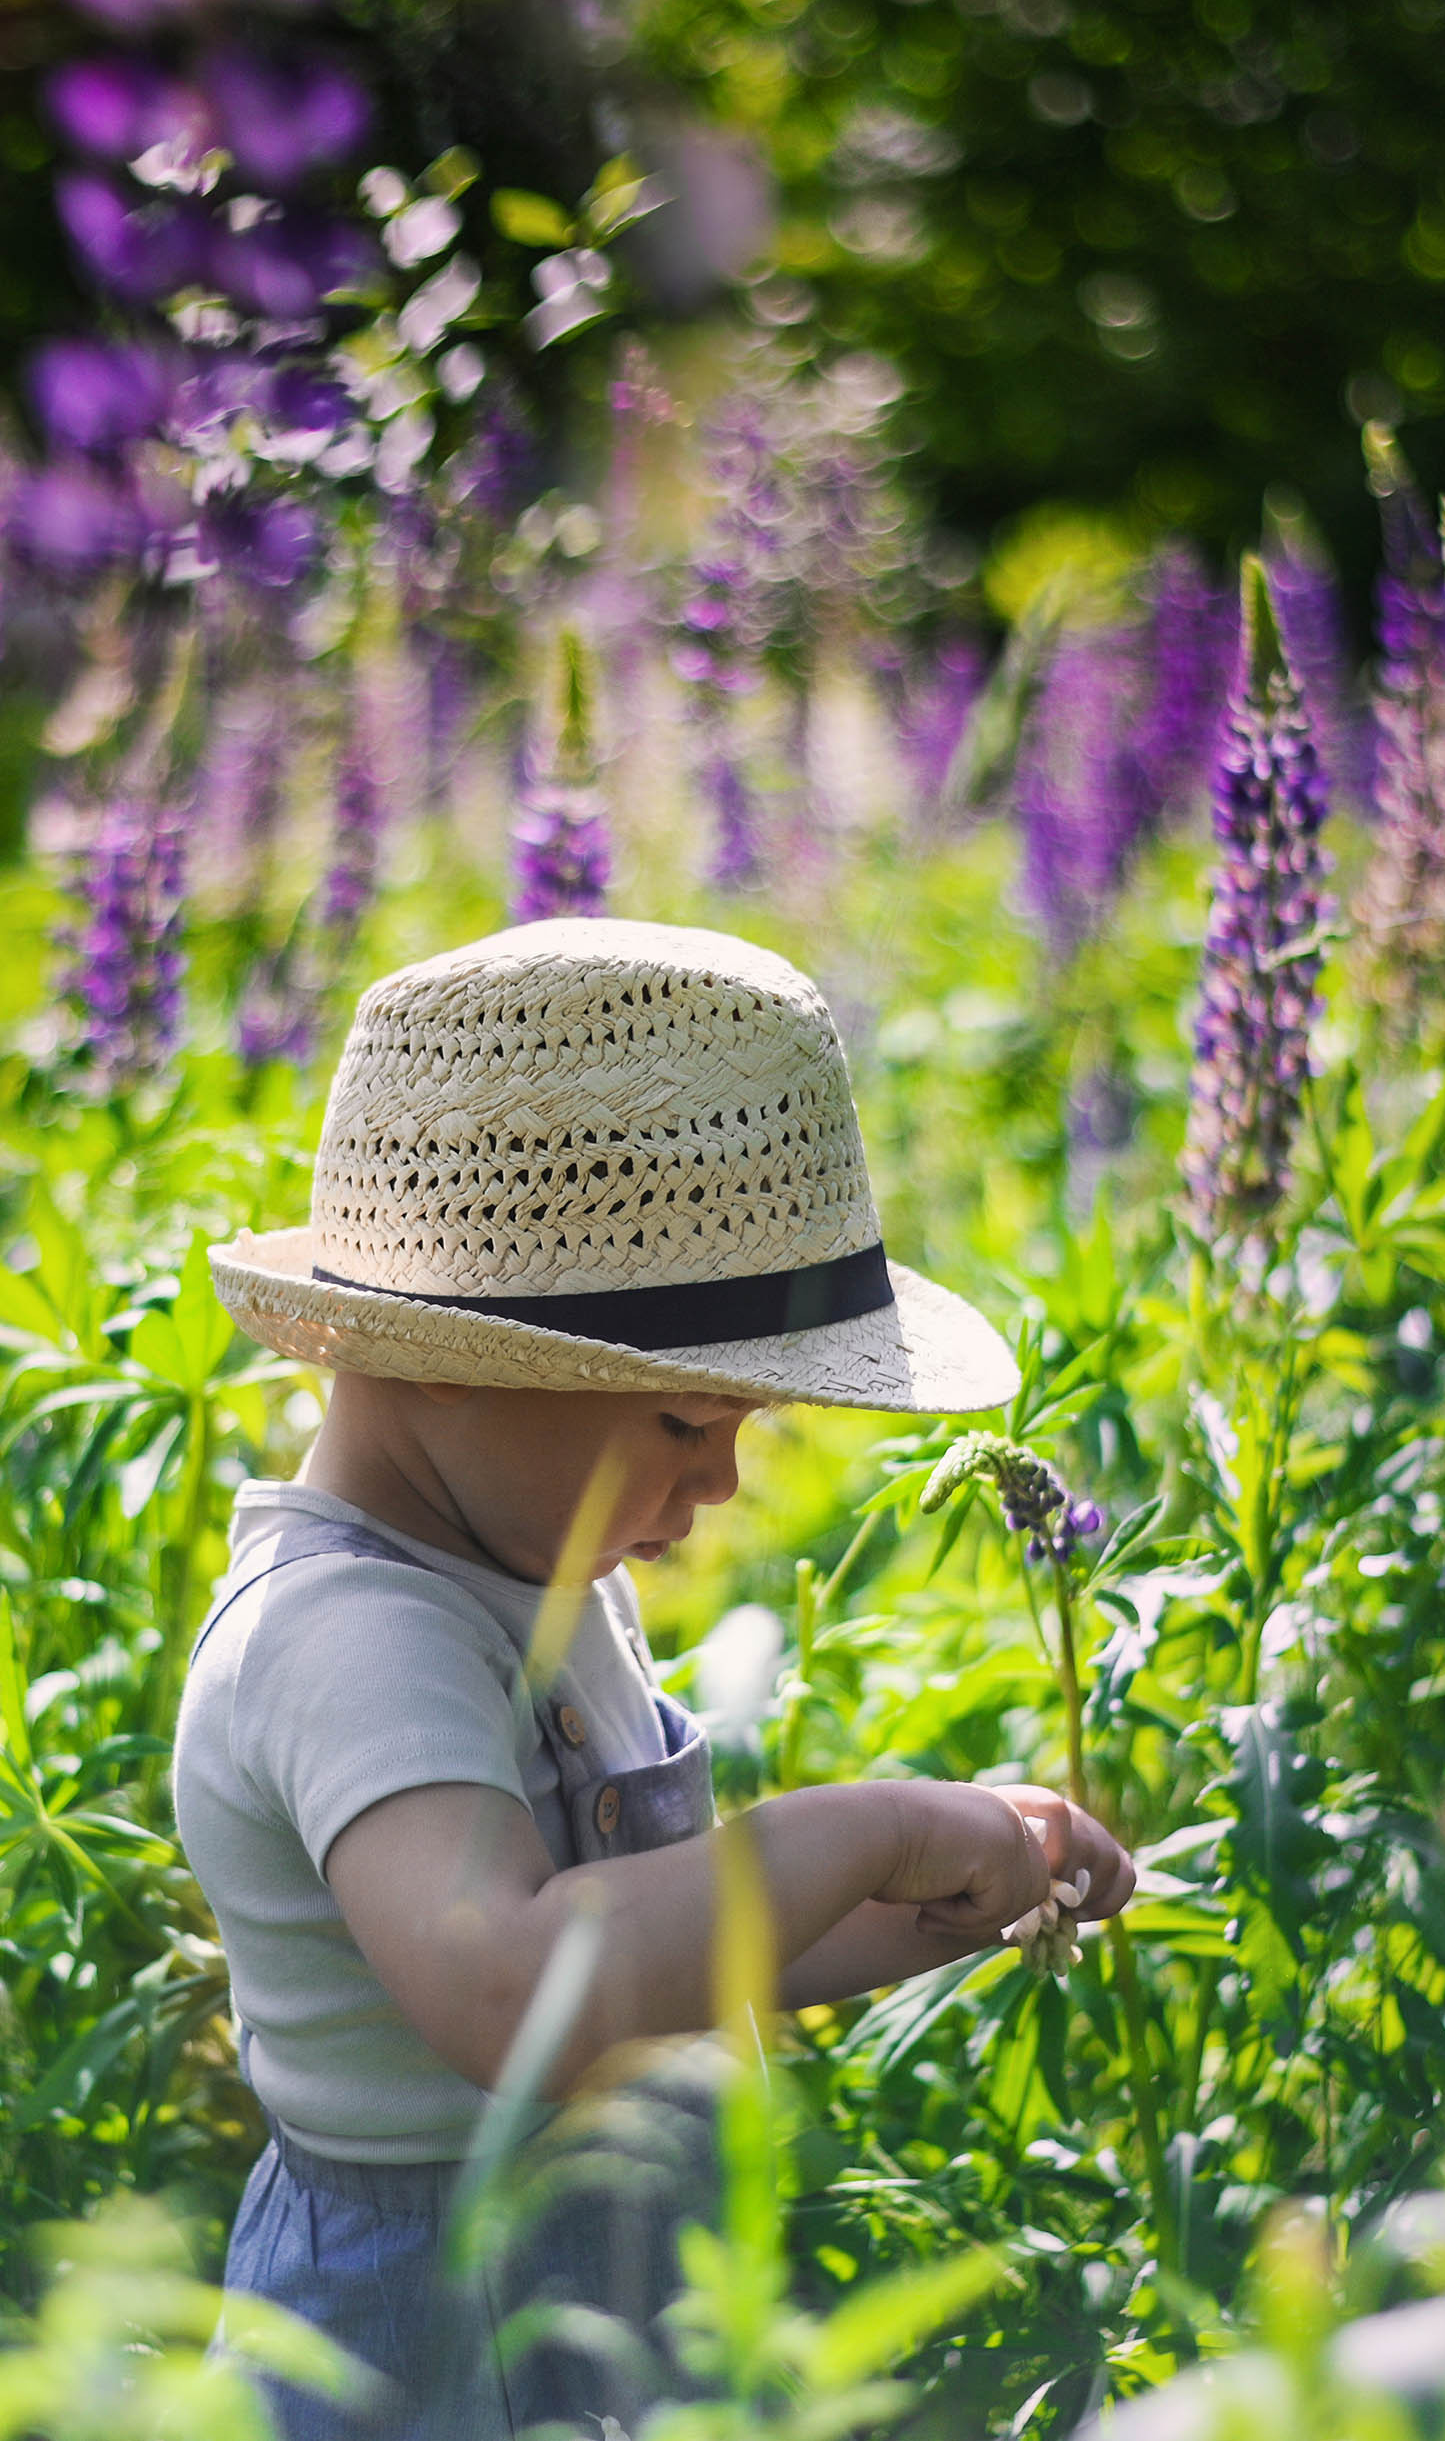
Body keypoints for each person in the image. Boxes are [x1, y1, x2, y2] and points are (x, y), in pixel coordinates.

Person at [174, 917, 1134, 2438]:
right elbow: (517, 1990)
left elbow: (657, 1960)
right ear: (443, 1353)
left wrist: (935, 1899)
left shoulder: (547, 1572)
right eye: (687, 1424)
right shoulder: (348, 1635)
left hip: (612, 2299)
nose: (727, 1482)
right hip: (427, 2346)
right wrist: (857, 1830)